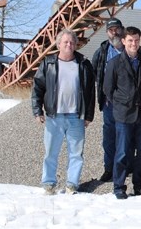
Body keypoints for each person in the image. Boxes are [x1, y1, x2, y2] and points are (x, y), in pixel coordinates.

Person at [31, 29, 95, 195]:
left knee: (76, 153)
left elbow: (90, 92)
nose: (69, 45)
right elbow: (37, 87)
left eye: (72, 42)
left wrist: (88, 115)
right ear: (58, 44)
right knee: (51, 152)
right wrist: (37, 111)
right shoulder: (49, 63)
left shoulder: (83, 64)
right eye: (65, 42)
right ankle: (49, 183)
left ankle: (72, 184)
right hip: (54, 116)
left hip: (76, 116)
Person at [103, 26, 141, 199]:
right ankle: (119, 187)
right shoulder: (114, 63)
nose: (134, 43)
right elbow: (108, 88)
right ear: (123, 41)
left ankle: (138, 185)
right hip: (124, 114)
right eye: (130, 40)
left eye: (137, 40)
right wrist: (121, 102)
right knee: (123, 152)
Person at [91, 18, 124, 182]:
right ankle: (109, 168)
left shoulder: (130, 48)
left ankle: (124, 167)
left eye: (117, 29)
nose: (115, 32)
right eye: (111, 30)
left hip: (126, 103)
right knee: (109, 136)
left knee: (125, 135)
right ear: (107, 33)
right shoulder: (102, 51)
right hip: (109, 103)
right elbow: (94, 73)